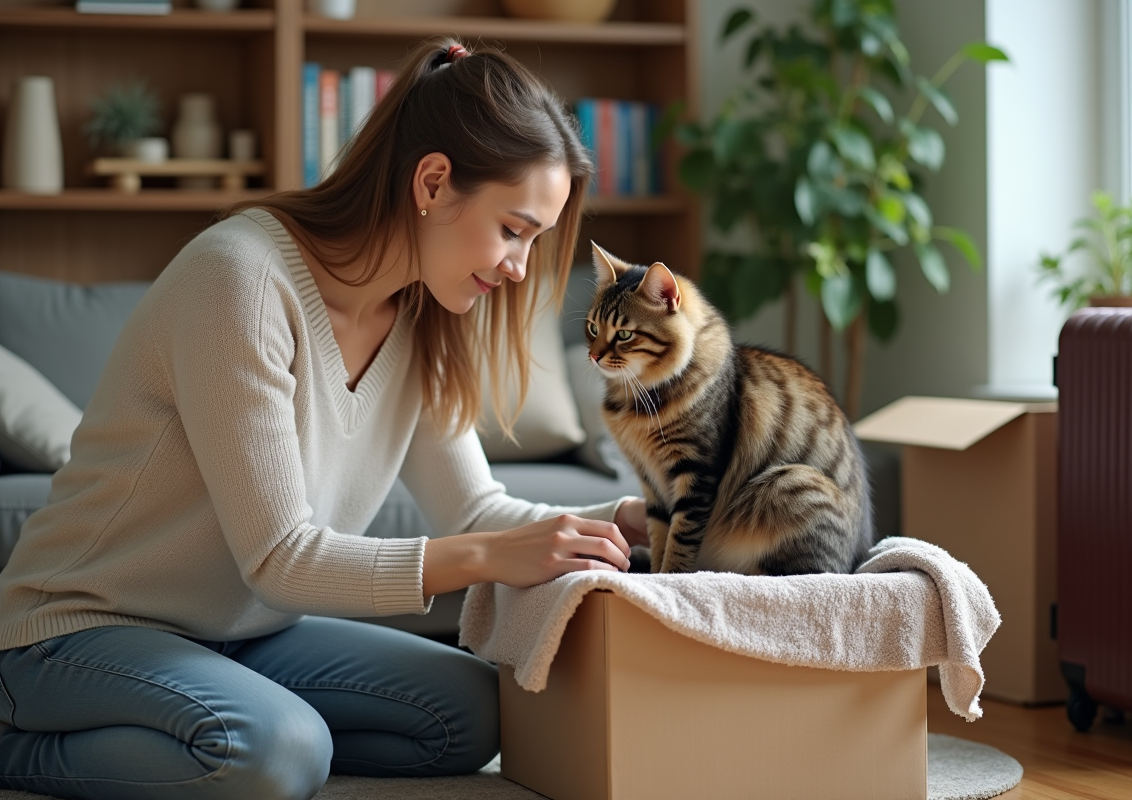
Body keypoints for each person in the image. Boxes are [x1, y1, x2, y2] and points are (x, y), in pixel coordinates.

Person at [0, 39, 648, 800]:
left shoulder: (423, 317)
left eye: (534, 241)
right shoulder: (238, 277)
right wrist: (483, 558)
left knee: (473, 714)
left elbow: (480, 510)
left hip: (246, 636)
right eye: (513, 229)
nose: (519, 268)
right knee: (277, 753)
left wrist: (640, 519)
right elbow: (282, 558)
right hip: (77, 630)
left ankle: (209, 719)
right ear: (434, 183)